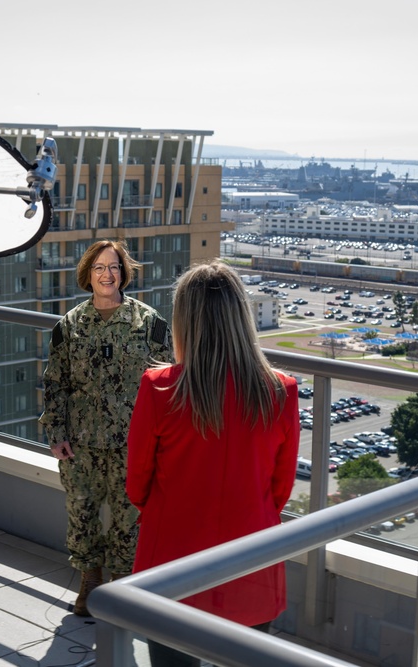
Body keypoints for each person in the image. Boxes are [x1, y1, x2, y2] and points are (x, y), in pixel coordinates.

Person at [126, 260, 300, 666]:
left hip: (173, 557)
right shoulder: (280, 391)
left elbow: (137, 482)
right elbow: (280, 487)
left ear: (183, 320)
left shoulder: (160, 387)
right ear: (243, 315)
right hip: (251, 555)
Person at [39, 239, 172, 617]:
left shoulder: (149, 322)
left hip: (134, 443)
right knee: (81, 513)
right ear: (88, 274)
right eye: (99, 267)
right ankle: (89, 582)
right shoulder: (69, 325)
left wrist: (163, 443)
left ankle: (122, 589)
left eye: (113, 267)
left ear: (123, 273)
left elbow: (167, 384)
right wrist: (56, 435)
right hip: (79, 442)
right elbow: (55, 383)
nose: (107, 274)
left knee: (129, 519)